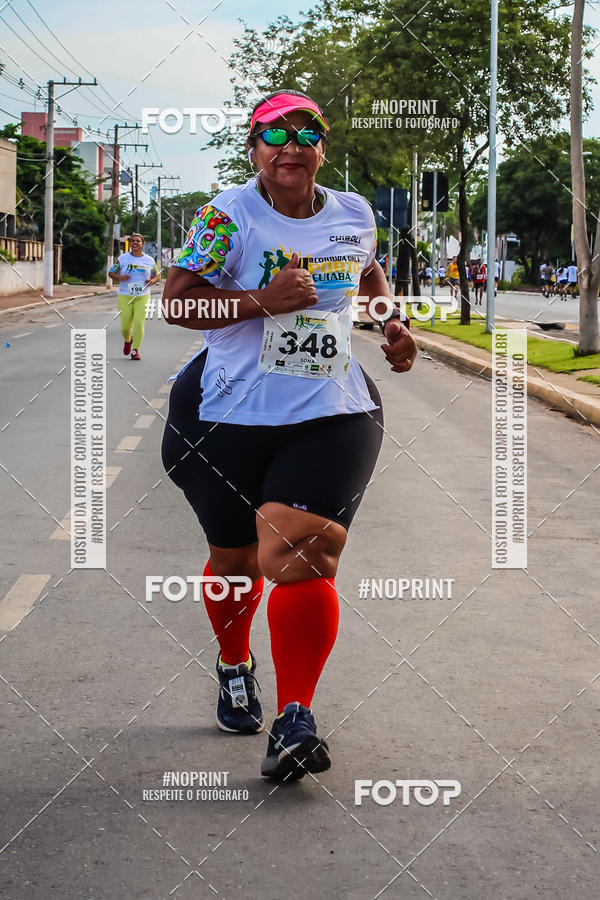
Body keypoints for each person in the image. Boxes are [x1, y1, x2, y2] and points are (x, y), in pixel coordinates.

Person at [160, 89, 417, 782]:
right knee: (237, 562)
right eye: (275, 133)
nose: (292, 144)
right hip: (223, 419)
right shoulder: (225, 218)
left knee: (303, 553)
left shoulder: (354, 214)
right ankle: (235, 663)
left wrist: (390, 322)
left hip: (328, 412)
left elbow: (365, 274)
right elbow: (176, 301)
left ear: (321, 148)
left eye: (308, 131)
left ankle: (295, 718)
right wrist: (259, 301)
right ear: (254, 149)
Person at [110, 233, 160, 360]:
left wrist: (152, 281)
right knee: (125, 327)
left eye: (138, 241)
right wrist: (120, 277)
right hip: (125, 295)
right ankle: (128, 340)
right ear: (130, 244)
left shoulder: (149, 260)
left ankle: (135, 350)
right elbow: (111, 273)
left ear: (143, 244)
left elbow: (157, 275)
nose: (135, 243)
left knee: (139, 323)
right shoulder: (122, 259)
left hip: (142, 296)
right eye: (133, 241)